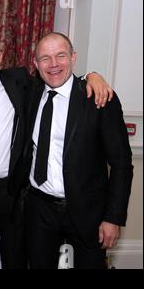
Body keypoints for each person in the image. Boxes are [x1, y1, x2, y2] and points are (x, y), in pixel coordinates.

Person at [0, 30, 114, 269]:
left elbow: (61, 77)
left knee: (16, 257)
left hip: (12, 189)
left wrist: (92, 76)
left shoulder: (21, 82)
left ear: (1, 56)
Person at [22, 32, 133, 269]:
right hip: (39, 209)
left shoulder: (99, 99)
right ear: (35, 63)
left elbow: (122, 164)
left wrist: (113, 218)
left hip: (87, 212)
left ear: (73, 57)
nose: (53, 65)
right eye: (45, 58)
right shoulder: (30, 92)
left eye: (60, 56)